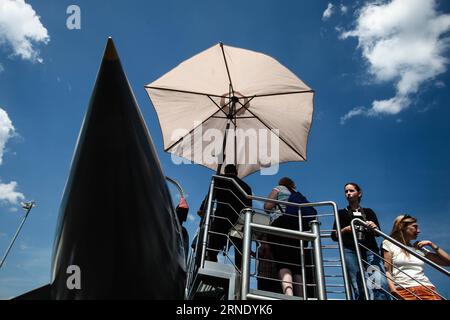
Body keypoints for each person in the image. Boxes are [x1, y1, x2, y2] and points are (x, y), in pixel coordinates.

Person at [331, 182, 390, 300]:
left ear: (359, 193)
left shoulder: (368, 212)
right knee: (358, 285)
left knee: (379, 283)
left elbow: (377, 233)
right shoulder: (341, 213)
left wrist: (373, 226)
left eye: (351, 190)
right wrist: (345, 229)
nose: (348, 193)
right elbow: (334, 235)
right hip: (350, 250)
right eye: (346, 191)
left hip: (370, 250)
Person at [264, 177, 316, 297]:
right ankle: (301, 296)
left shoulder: (279, 188)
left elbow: (267, 207)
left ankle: (289, 295)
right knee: (296, 265)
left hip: (281, 225)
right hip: (297, 229)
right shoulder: (296, 194)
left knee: (283, 262)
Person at [197, 164, 252, 271]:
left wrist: (202, 209)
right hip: (239, 223)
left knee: (211, 251)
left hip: (221, 220)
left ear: (225, 171)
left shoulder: (219, 180)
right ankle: (240, 276)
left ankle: (211, 273)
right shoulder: (246, 187)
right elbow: (249, 209)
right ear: (236, 172)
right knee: (240, 254)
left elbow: (209, 198)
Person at [382, 214, 450, 300]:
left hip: (427, 289)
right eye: (415, 227)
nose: (418, 231)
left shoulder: (417, 249)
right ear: (402, 227)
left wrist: (432, 245)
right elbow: (387, 269)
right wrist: (393, 290)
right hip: (404, 290)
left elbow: (448, 262)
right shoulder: (389, 243)